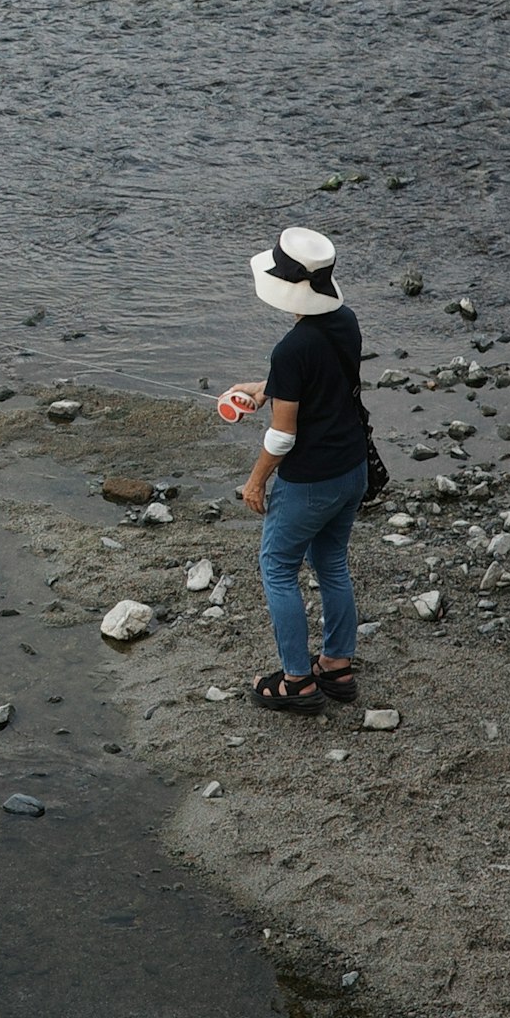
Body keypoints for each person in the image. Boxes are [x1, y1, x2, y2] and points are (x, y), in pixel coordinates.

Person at [220, 225, 374, 718]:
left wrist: (255, 481)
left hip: (309, 482)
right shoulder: (345, 321)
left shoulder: (291, 349)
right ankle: (336, 666)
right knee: (331, 564)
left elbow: (282, 438)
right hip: (352, 470)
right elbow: (319, 379)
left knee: (278, 568)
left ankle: (295, 681)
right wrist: (266, 388)